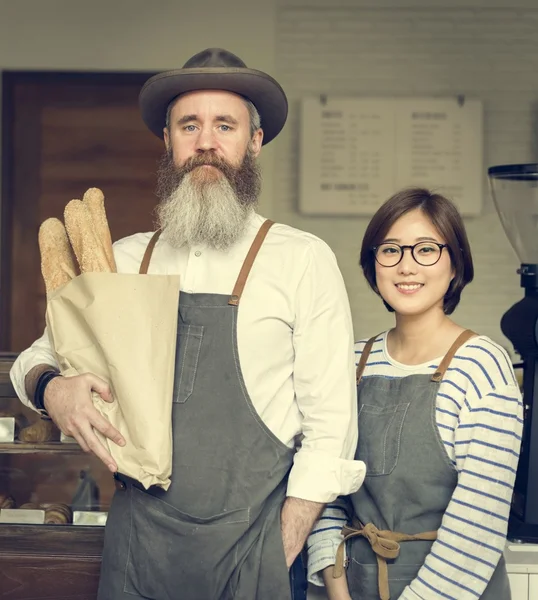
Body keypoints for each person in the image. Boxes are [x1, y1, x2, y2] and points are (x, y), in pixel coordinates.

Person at [9, 48, 366, 600]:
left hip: (254, 549)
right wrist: (53, 389)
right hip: (137, 547)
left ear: (254, 141)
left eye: (225, 125)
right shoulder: (125, 261)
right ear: (169, 143)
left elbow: (331, 430)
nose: (206, 142)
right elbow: (35, 357)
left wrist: (282, 546)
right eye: (189, 125)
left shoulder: (301, 259)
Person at [307, 188, 523, 600]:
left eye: (426, 249)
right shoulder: (350, 362)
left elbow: (478, 523)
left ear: (455, 262)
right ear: (373, 264)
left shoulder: (482, 367)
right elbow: (324, 491)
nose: (407, 266)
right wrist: (338, 591)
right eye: (390, 250)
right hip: (351, 586)